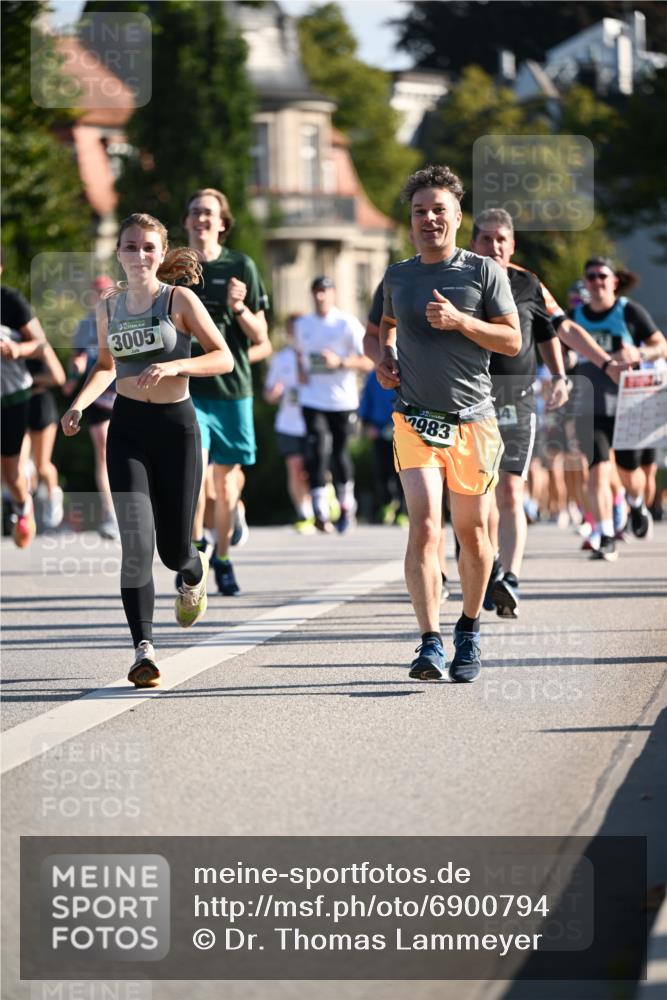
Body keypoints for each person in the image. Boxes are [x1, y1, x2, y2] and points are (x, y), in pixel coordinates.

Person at [61, 213, 234, 688]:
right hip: (128, 429)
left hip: (176, 428)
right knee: (136, 547)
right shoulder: (109, 306)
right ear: (118, 252)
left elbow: (223, 356)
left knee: (174, 548)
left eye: (148, 248)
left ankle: (193, 573)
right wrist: (78, 404)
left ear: (162, 254)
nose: (139, 255)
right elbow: (103, 364)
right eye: (130, 247)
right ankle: (144, 650)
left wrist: (176, 365)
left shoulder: (178, 299)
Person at [377, 164, 521, 682]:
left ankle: (469, 628)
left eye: (439, 210)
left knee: (474, 532)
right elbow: (380, 329)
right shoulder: (398, 275)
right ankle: (428, 641)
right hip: (415, 418)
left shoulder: (483, 272)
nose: (429, 219)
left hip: (473, 422)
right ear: (410, 220)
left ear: (457, 216)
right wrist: (382, 358)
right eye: (420, 211)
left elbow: (511, 341)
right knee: (422, 525)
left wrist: (462, 322)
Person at [469, 209, 626, 616]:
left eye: (502, 239)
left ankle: (510, 578)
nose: (495, 246)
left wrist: (574, 372)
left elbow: (558, 331)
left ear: (513, 244)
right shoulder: (458, 279)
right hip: (469, 402)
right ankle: (486, 569)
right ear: (473, 243)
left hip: (516, 399)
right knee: (476, 499)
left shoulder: (528, 284)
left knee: (510, 490)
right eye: (486, 239)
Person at [183, 187, 270, 595]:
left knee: (226, 485)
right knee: (196, 477)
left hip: (234, 391)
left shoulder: (241, 265)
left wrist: (239, 307)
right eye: (196, 212)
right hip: (188, 390)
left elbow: (261, 335)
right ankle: (197, 552)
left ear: (222, 223)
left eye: (209, 213)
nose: (202, 219)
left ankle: (222, 557)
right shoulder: (175, 268)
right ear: (186, 222)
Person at [571, 256, 666, 560]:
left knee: (630, 475)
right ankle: (604, 534)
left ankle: (636, 504)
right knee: (597, 472)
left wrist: (638, 351)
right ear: (585, 283)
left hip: (629, 405)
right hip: (590, 405)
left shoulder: (628, 312)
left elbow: (660, 345)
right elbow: (560, 355)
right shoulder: (575, 318)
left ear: (614, 281)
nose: (597, 282)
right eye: (591, 277)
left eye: (602, 276)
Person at [294, 276, 373, 533]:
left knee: (339, 451)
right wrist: (301, 371)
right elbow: (299, 352)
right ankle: (319, 508)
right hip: (312, 398)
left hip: (342, 399)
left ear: (333, 294)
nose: (320, 297)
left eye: (325, 292)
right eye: (316, 291)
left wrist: (339, 362)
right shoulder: (303, 324)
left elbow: (368, 361)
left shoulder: (346, 323)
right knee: (316, 448)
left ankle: (346, 504)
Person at [63, 275, 119, 538]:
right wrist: (75, 372)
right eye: (96, 292)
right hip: (97, 396)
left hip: (126, 394)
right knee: (105, 452)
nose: (100, 297)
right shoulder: (85, 324)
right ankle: (111, 515)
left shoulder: (125, 317)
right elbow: (79, 358)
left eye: (104, 292)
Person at [1, 279, 47, 547]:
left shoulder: (11, 301)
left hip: (13, 396)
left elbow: (40, 345)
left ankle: (22, 506)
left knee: (11, 474)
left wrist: (18, 349)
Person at [263, 313, 315, 532]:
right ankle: (305, 513)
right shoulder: (281, 358)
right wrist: (274, 393)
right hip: (288, 423)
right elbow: (268, 394)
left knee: (315, 469)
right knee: (295, 469)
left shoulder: (315, 355)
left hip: (314, 420)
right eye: (291, 329)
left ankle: (323, 501)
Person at [23, 335, 66, 529]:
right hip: (17, 406)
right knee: (19, 465)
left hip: (40, 405)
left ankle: (53, 494)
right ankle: (24, 511)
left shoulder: (40, 346)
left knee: (42, 465)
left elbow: (59, 377)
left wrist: (29, 379)